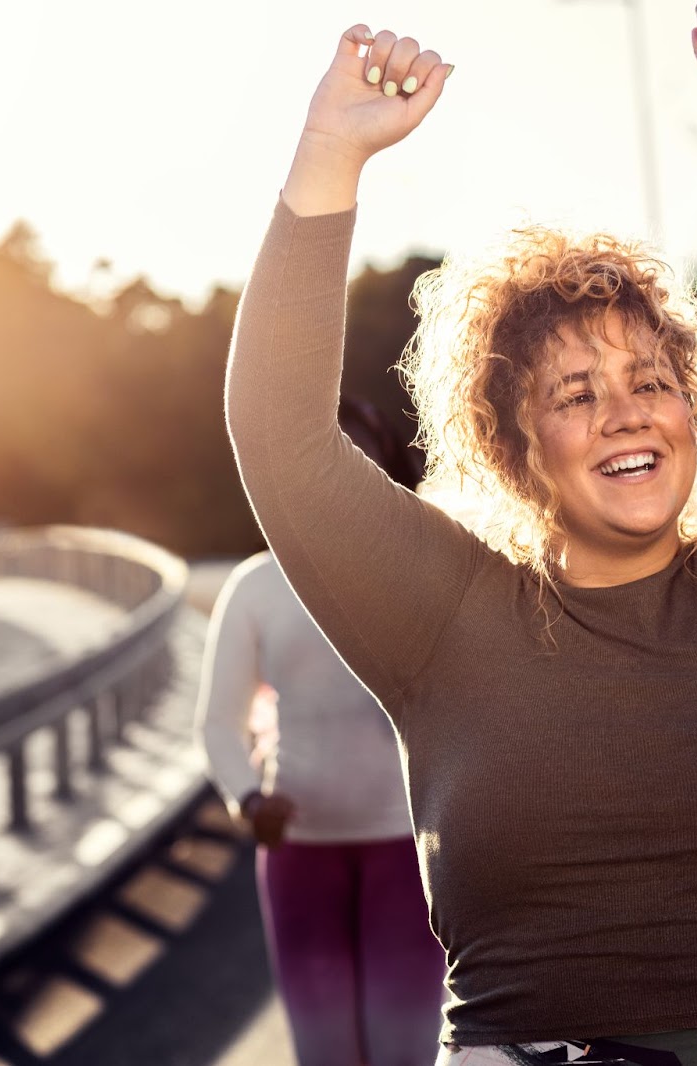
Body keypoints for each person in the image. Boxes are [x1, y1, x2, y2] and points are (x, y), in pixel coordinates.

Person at [226, 0, 697, 1062]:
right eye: (574, 394)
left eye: (651, 382)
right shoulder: (440, 615)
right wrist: (331, 152)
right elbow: (280, 435)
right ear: (513, 448)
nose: (624, 413)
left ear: (689, 414)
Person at [196, 397, 443, 1066]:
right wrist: (247, 799)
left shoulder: (428, 571)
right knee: (326, 1053)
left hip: (410, 856)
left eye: (356, 453)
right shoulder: (256, 587)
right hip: (299, 854)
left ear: (387, 466)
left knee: (407, 1053)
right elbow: (219, 725)